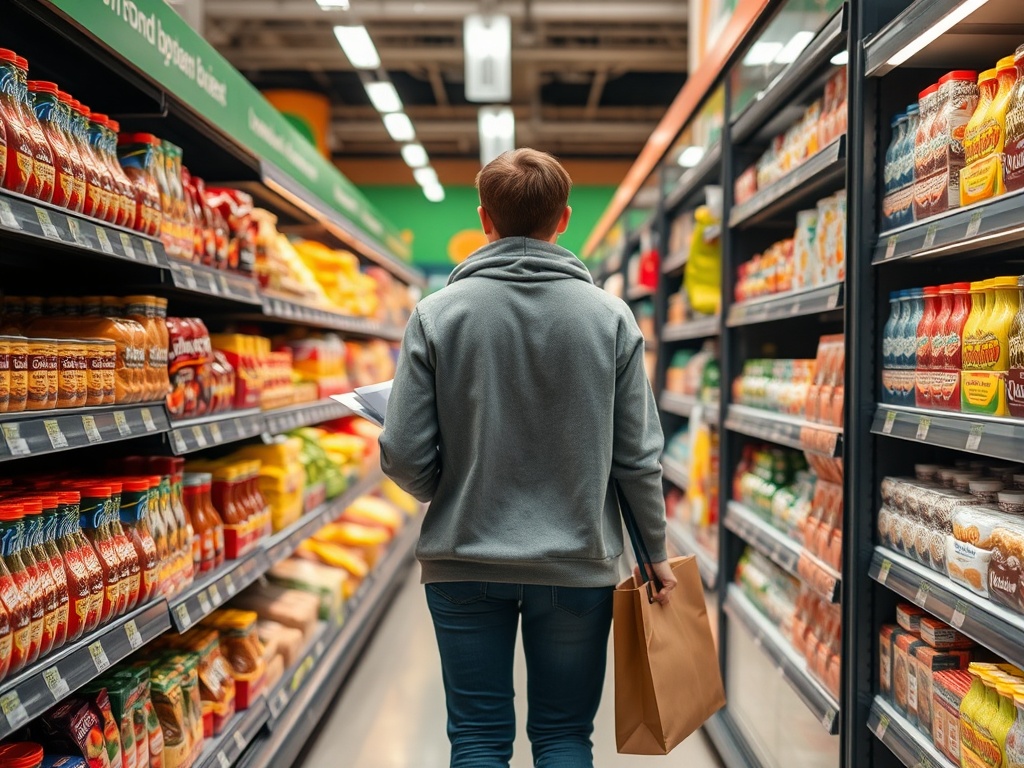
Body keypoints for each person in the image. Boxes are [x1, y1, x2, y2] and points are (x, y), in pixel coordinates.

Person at [379, 148, 675, 768]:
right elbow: (639, 459)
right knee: (564, 737)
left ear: (484, 219)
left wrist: (446, 487)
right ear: (564, 219)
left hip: (462, 560)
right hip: (577, 565)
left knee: (478, 739)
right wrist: (655, 553)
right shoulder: (610, 318)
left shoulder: (436, 315)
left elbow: (404, 452)